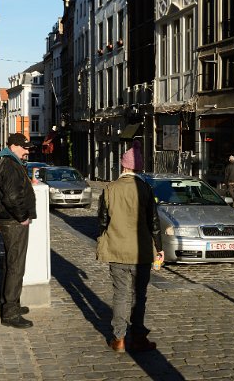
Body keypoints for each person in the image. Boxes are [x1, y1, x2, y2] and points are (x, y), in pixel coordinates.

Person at [96, 139, 164, 353]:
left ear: (123, 166)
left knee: (120, 294)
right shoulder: (145, 189)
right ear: (139, 168)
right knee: (139, 295)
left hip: (116, 249)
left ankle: (119, 339)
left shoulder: (110, 189)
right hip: (141, 251)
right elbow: (154, 222)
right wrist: (159, 247)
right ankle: (138, 337)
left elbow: (102, 221)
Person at [0, 133, 37, 328]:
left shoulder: (8, 162)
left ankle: (11, 303)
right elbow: (11, 197)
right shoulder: (10, 165)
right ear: (14, 146)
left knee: (12, 263)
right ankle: (10, 312)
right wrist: (22, 216)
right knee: (15, 265)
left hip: (10, 220)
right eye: (25, 148)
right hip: (13, 221)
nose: (27, 151)